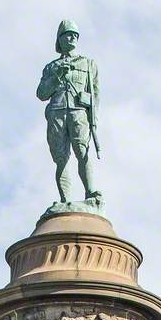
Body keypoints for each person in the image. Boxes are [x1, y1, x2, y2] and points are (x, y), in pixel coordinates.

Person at [36, 19, 101, 206]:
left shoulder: (88, 64)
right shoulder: (51, 67)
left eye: (75, 35)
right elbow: (41, 93)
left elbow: (95, 95)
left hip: (78, 112)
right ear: (60, 39)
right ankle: (65, 201)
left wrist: (93, 119)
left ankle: (91, 193)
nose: (72, 38)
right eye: (68, 35)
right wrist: (57, 76)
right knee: (61, 157)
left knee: (83, 151)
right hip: (56, 111)